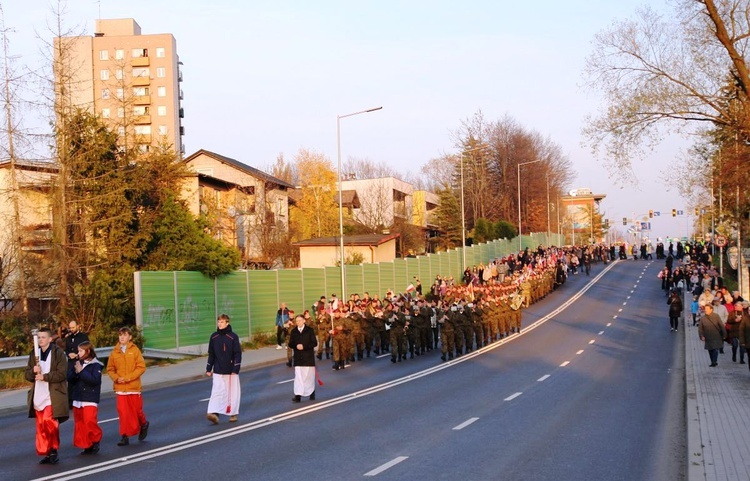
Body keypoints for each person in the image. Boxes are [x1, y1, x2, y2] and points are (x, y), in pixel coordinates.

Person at [25, 327, 69, 465]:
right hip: (38, 394)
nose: (40, 340)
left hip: (52, 394)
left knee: (50, 424)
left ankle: (53, 450)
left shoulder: (58, 354)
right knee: (41, 427)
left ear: (50, 339)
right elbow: (27, 375)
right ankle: (46, 451)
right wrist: (33, 371)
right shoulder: (34, 353)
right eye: (38, 337)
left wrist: (45, 376)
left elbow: (62, 374)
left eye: (43, 337)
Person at [106, 327, 149, 446]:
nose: (122, 337)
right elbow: (110, 369)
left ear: (130, 337)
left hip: (133, 387)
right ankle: (124, 436)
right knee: (123, 413)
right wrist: (116, 378)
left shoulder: (134, 350)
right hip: (120, 389)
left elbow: (141, 367)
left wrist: (128, 377)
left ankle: (144, 424)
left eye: (124, 335)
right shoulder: (114, 352)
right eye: (120, 335)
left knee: (137, 411)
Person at [67, 341, 103, 455]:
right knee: (80, 423)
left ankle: (95, 440)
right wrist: (75, 371)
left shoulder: (96, 365)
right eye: (78, 351)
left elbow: (94, 381)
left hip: (89, 398)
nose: (78, 353)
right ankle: (86, 444)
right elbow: (70, 378)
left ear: (87, 351)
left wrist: (81, 372)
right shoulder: (78, 363)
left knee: (90, 422)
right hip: (78, 398)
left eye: (81, 351)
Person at [205, 314, 242, 424]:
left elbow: (237, 353)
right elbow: (211, 353)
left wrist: (236, 368)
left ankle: (233, 413)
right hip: (217, 369)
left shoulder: (233, 337)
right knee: (217, 391)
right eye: (218, 322)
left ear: (227, 323)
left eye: (222, 322)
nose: (219, 324)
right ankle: (213, 413)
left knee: (232, 393)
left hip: (230, 370)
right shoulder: (214, 337)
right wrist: (208, 368)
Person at [288, 314, 318, 402]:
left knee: (308, 377)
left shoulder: (309, 330)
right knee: (298, 377)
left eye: (300, 320)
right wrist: (296, 346)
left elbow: (314, 343)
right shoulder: (294, 331)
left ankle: (311, 392)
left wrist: (304, 346)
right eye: (297, 321)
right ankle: (298, 395)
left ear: (304, 321)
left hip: (308, 357)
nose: (298, 322)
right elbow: (290, 343)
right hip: (298, 358)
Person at [64, 320, 90, 407]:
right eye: (70, 328)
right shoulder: (68, 338)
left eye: (73, 327)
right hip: (71, 362)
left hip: (80, 361)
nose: (71, 329)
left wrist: (77, 355)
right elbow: (66, 349)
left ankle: (83, 399)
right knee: (71, 381)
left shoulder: (83, 337)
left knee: (81, 380)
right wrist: (69, 354)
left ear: (77, 326)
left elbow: (87, 348)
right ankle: (70, 401)